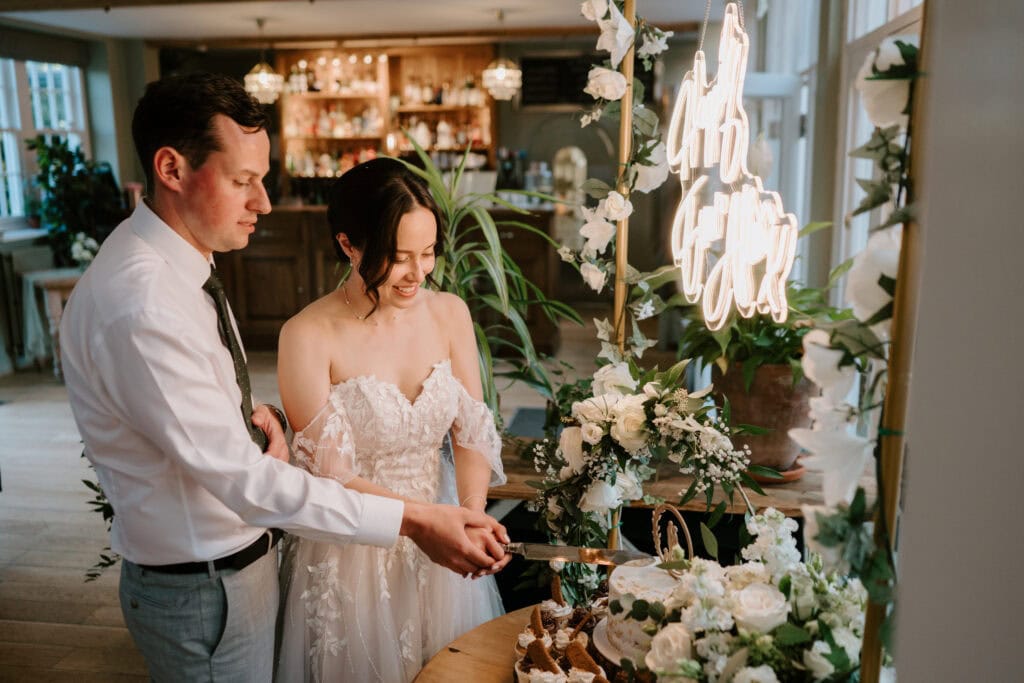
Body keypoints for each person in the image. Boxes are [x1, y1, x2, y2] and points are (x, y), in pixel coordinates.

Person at [59, 72, 509, 683]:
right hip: (205, 589)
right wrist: (419, 519)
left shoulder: (182, 274)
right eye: (244, 181)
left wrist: (259, 424)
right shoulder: (144, 302)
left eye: (262, 180)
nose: (264, 202)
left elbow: (197, 426)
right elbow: (241, 481)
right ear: (171, 169)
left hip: (240, 565)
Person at [275, 157, 509, 682]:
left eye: (427, 254)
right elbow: (328, 477)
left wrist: (468, 515)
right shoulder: (306, 335)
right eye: (397, 257)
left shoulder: (450, 313)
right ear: (349, 245)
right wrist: (428, 521)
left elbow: (471, 432)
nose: (417, 273)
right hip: (351, 553)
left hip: (444, 541)